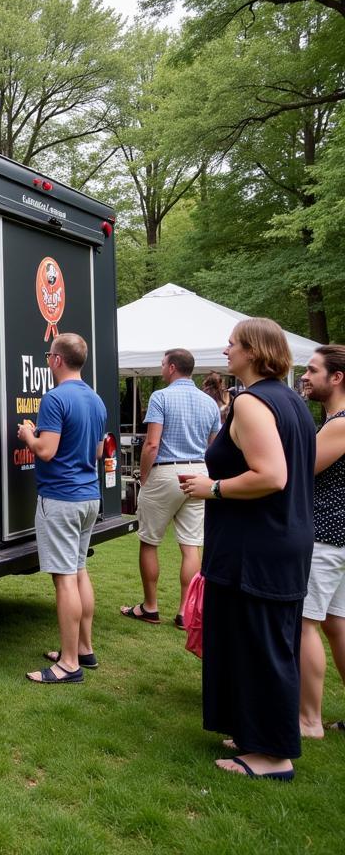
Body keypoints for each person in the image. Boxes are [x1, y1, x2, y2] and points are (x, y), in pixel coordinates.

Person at [180, 318, 315, 781]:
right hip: (275, 541)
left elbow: (273, 475)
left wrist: (211, 487)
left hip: (258, 547)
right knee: (250, 641)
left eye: (233, 344)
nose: (226, 350)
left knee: (261, 646)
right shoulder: (292, 400)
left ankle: (273, 756)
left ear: (254, 352)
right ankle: (251, 732)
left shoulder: (254, 403)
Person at [17, 333, 107, 684]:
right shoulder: (96, 400)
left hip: (61, 498)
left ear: (56, 360)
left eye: (48, 356)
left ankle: (68, 664)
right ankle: (84, 648)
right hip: (89, 497)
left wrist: (28, 435)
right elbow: (99, 453)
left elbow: (46, 450)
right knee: (80, 570)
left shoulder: (54, 399)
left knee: (65, 579)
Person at [120, 349, 220, 629]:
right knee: (190, 547)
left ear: (173, 367)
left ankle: (150, 607)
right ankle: (184, 613)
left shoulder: (160, 397)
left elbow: (152, 444)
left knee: (149, 541)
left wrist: (143, 474)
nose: (161, 367)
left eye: (163, 364)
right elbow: (214, 445)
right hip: (199, 471)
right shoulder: (209, 403)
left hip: (166, 470)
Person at [298, 345, 345, 738]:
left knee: (304, 625)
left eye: (313, 371)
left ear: (337, 377)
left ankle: (309, 720)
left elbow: (302, 470)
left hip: (326, 538)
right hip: (337, 538)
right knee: (335, 624)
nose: (305, 377)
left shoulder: (341, 423)